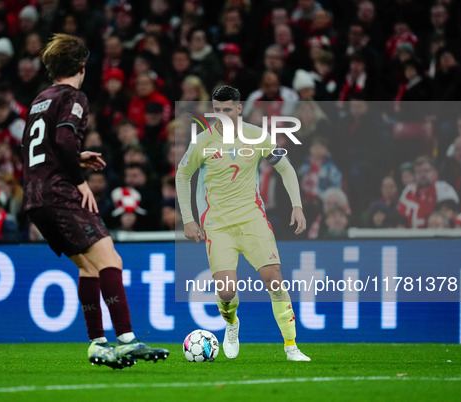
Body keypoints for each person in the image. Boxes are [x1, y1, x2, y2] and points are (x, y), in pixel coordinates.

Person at [21, 34, 168, 370]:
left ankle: (98, 344)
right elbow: (63, 137)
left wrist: (75, 156)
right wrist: (78, 179)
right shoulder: (74, 96)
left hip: (35, 196)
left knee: (88, 267)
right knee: (110, 261)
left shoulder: (40, 99)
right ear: (82, 68)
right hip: (59, 192)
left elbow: (36, 148)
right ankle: (128, 340)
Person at [176, 85, 310, 362]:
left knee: (274, 280)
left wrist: (297, 205)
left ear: (239, 109)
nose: (222, 115)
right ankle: (232, 324)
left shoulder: (257, 136)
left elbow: (285, 167)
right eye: (217, 110)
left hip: (252, 218)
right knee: (226, 290)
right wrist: (188, 220)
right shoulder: (202, 141)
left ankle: (291, 346)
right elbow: (182, 175)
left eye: (227, 109)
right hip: (218, 224)